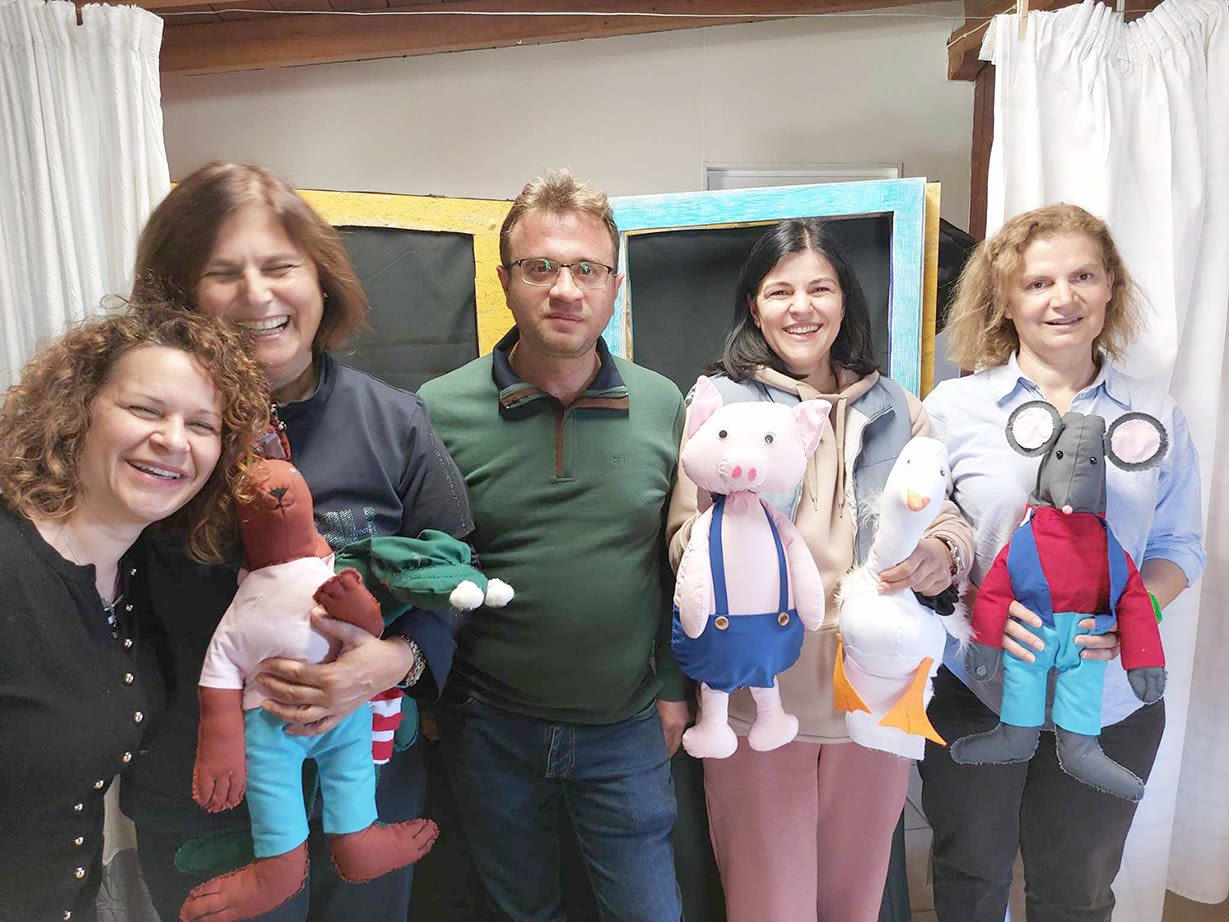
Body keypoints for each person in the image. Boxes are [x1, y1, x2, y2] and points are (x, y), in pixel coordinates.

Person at [122, 162, 474, 921]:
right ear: (178, 294)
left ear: (321, 279)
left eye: (280, 266)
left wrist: (395, 661)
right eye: (223, 273)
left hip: (366, 795)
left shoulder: (395, 423)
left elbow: (459, 580)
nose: (257, 295)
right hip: (207, 797)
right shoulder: (147, 432)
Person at [666, 218, 975, 922]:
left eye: (819, 289)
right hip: (758, 702)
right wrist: (727, 543)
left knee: (854, 901)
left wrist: (942, 553)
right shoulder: (720, 405)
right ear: (754, 306)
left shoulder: (897, 407)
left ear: (844, 301)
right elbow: (682, 542)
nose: (800, 308)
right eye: (780, 291)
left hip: (874, 695)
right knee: (767, 905)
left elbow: (946, 516)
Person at [919, 203, 1206, 921]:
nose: (1063, 298)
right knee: (968, 878)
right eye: (1038, 282)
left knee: (1076, 895)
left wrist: (1134, 615)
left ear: (1110, 287)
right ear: (1005, 299)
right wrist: (974, 613)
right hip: (977, 688)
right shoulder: (953, 409)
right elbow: (922, 541)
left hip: (1109, 702)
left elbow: (1178, 545)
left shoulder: (1155, 415)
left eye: (1082, 276)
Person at [419, 169, 688, 921]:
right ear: (505, 279)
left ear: (613, 287)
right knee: (520, 911)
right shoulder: (437, 410)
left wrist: (673, 686)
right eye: (540, 267)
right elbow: (425, 565)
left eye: (587, 270)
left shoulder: (664, 403)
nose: (565, 289)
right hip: (488, 725)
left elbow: (678, 563)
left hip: (627, 724)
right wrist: (428, 693)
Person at [0, 306, 268, 922]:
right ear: (77, 411)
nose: (173, 440)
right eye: (146, 410)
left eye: (201, 424)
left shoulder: (138, 574)